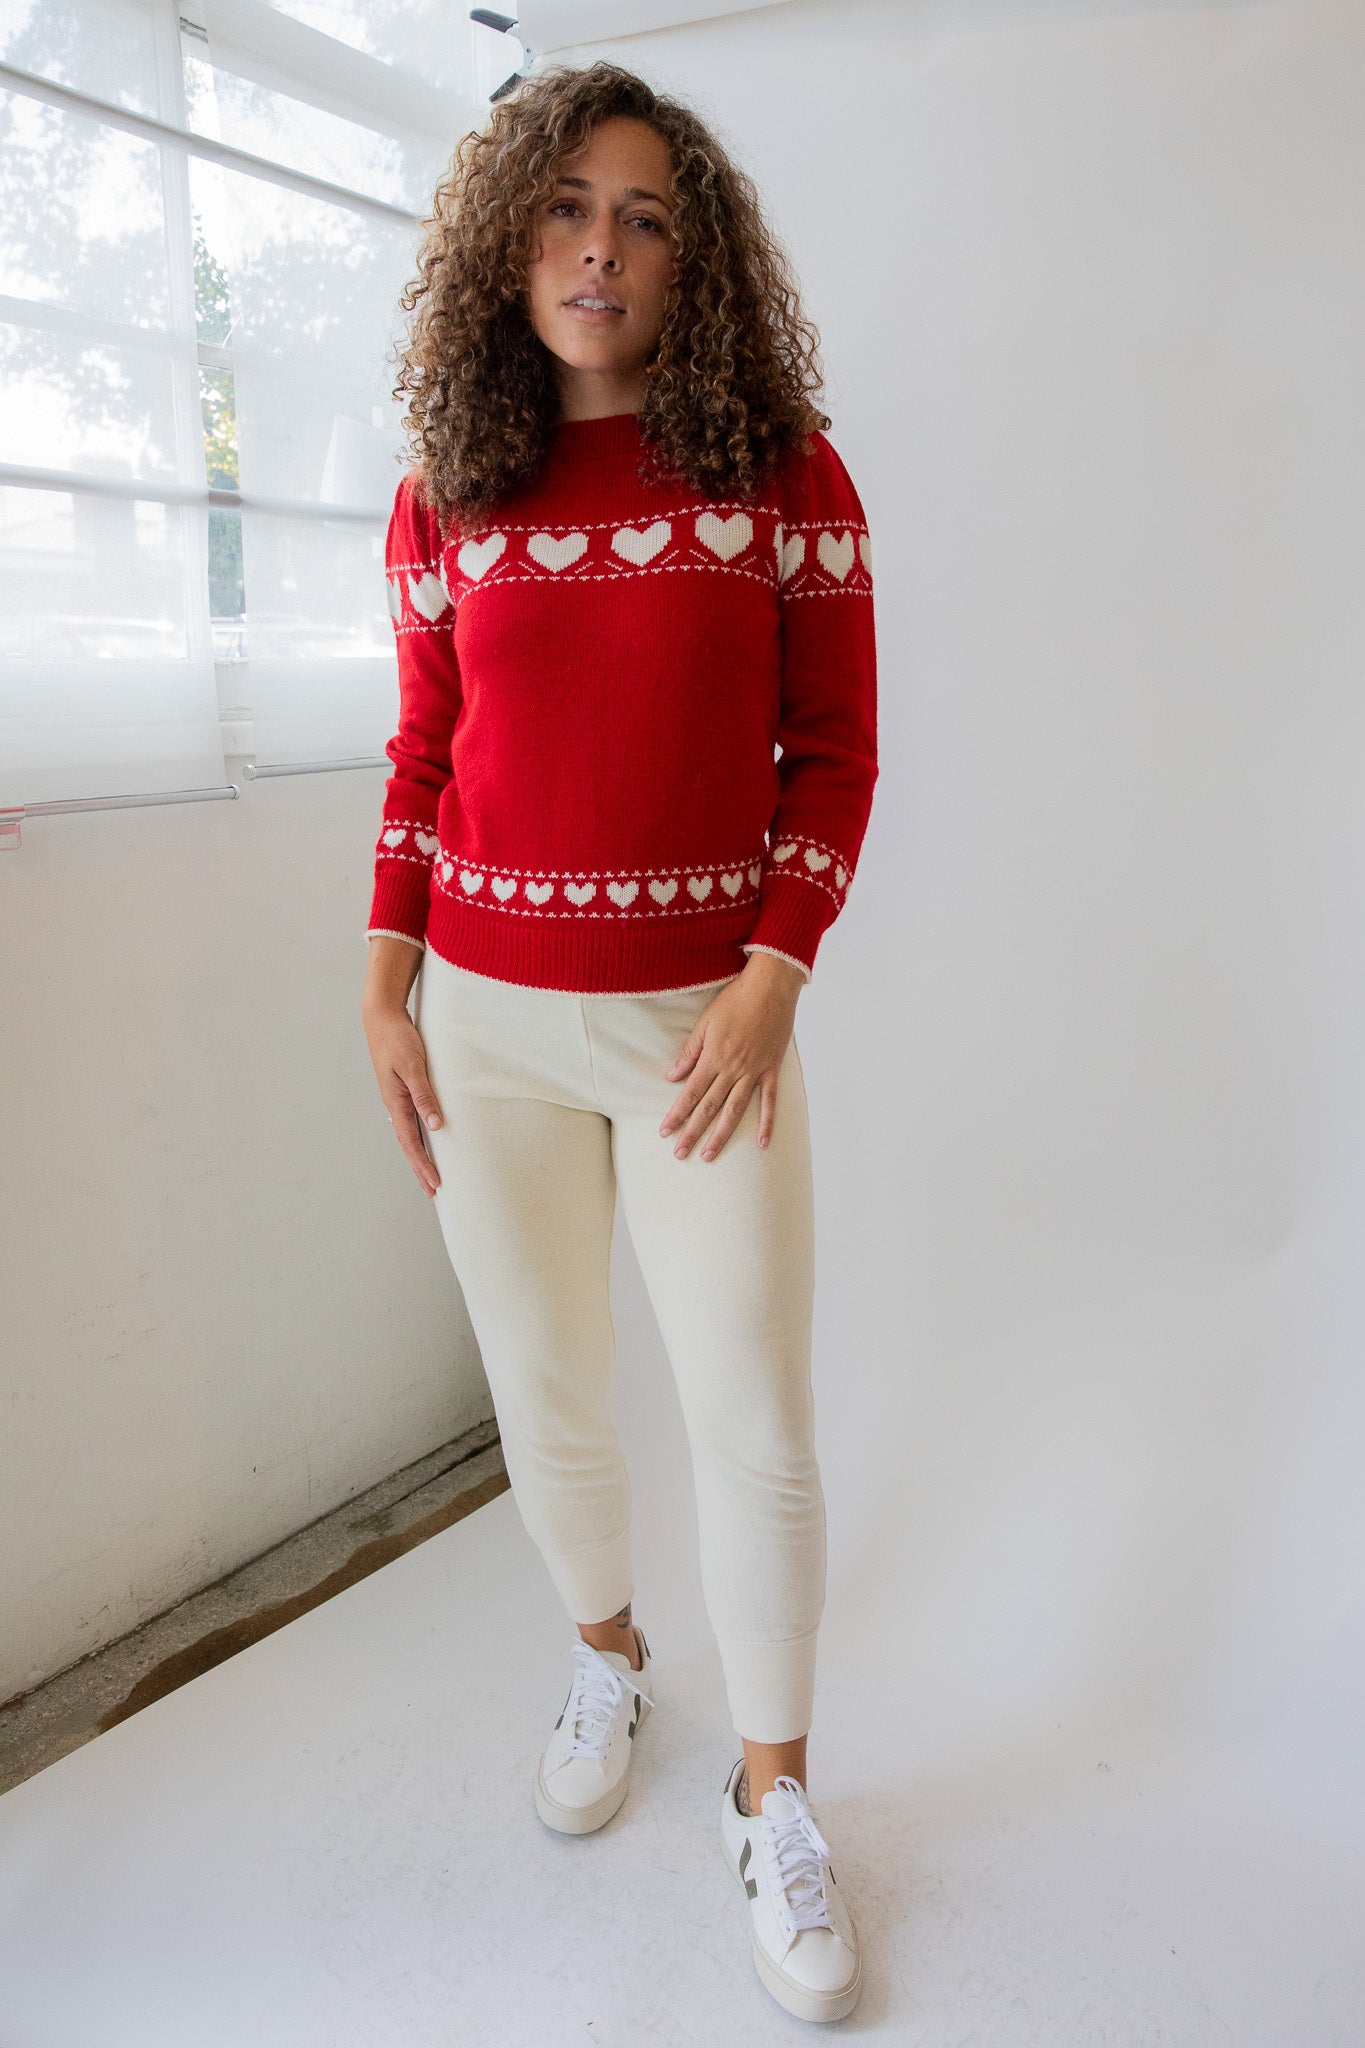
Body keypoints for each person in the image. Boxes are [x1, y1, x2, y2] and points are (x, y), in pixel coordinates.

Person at [360, 58, 877, 2026]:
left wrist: (771, 976)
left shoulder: (780, 477)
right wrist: (383, 977)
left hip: (699, 1038)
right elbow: (423, 751)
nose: (601, 247)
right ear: (510, 243)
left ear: (692, 262)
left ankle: (773, 1792)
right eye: (568, 207)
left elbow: (832, 753)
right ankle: (607, 1658)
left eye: (646, 217)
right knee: (547, 1386)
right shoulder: (447, 493)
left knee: (752, 1419)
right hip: (481, 1027)